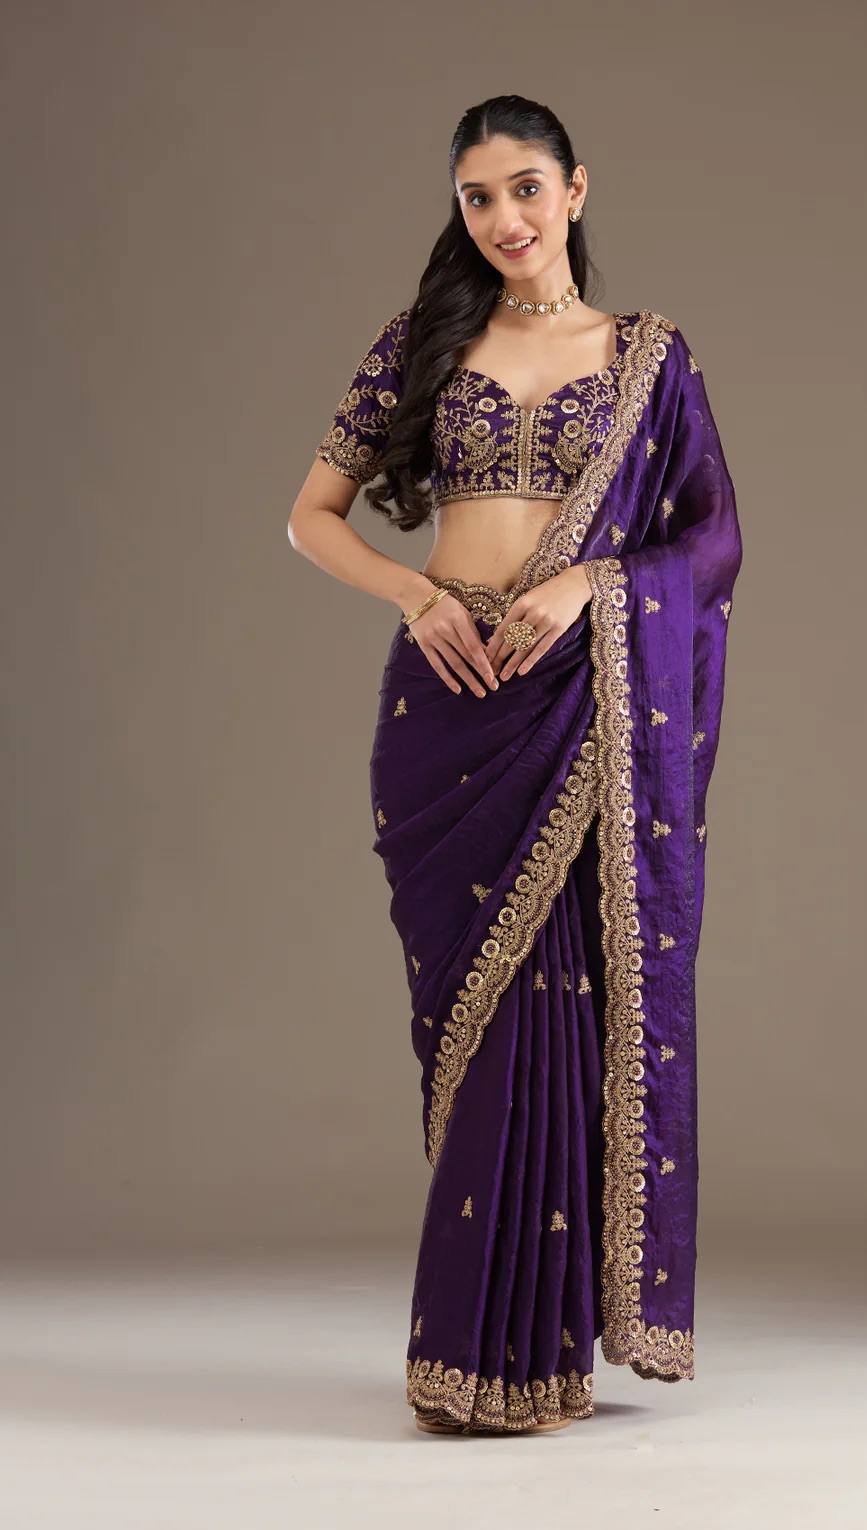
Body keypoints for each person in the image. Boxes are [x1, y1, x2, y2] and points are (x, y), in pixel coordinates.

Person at [287, 94, 744, 1436]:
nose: (504, 218)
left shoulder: (649, 358)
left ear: (576, 190)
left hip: (579, 697)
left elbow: (714, 539)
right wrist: (415, 595)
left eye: (526, 188)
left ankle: (531, 1351)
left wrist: (595, 581)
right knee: (478, 1021)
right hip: (447, 704)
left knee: (567, 1001)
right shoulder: (423, 343)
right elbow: (309, 516)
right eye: (478, 196)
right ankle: (480, 1346)